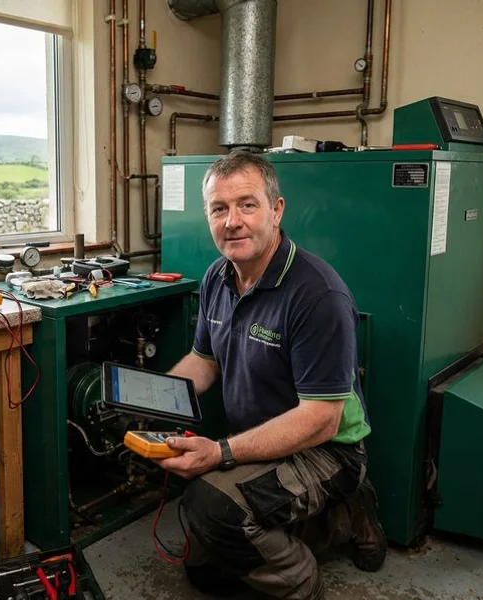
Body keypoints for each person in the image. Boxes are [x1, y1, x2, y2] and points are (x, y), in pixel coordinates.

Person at [160, 151, 386, 600]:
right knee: (204, 574)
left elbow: (322, 419)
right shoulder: (216, 277)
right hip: (260, 438)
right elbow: (204, 361)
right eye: (219, 209)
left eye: (248, 204)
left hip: (329, 449)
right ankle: (328, 521)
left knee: (212, 506)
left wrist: (222, 452)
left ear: (277, 210)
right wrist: (155, 399)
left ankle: (305, 581)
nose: (232, 222)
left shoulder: (317, 294)